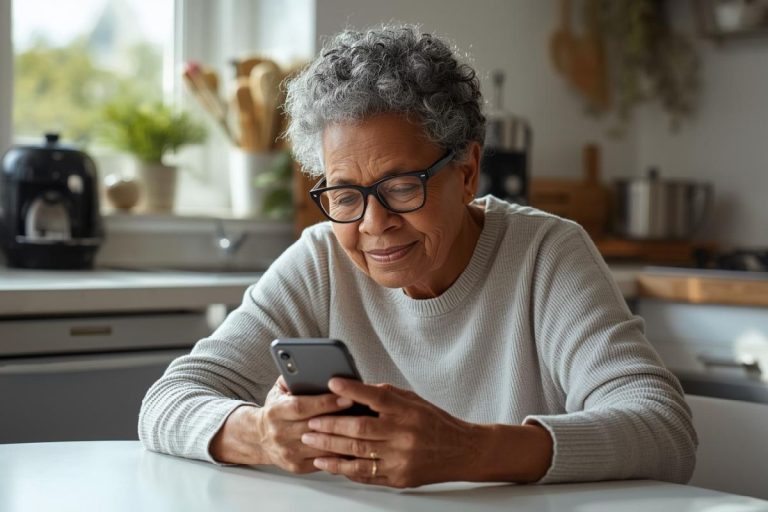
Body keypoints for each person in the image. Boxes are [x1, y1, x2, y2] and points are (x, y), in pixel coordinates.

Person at [139, 25, 696, 488]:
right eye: (345, 194)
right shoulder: (321, 258)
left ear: (467, 171)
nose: (374, 224)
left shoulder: (545, 255)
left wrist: (469, 450)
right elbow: (166, 402)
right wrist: (262, 433)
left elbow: (664, 430)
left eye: (402, 187)